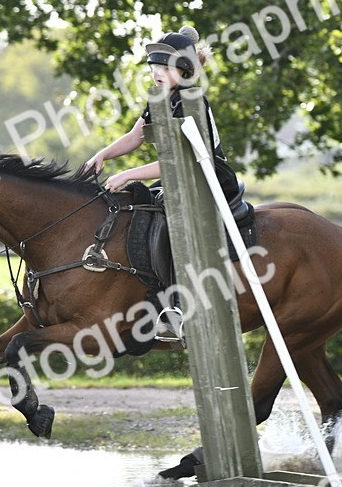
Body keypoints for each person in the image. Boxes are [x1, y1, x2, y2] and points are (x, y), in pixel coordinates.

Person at [84, 25, 250, 345]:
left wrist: (128, 174)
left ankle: (178, 309)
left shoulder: (190, 100)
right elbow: (136, 137)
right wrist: (103, 154)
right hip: (179, 177)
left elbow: (180, 160)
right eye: (154, 67)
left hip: (207, 176)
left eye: (164, 67)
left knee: (175, 223)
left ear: (185, 71)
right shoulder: (159, 98)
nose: (156, 73)